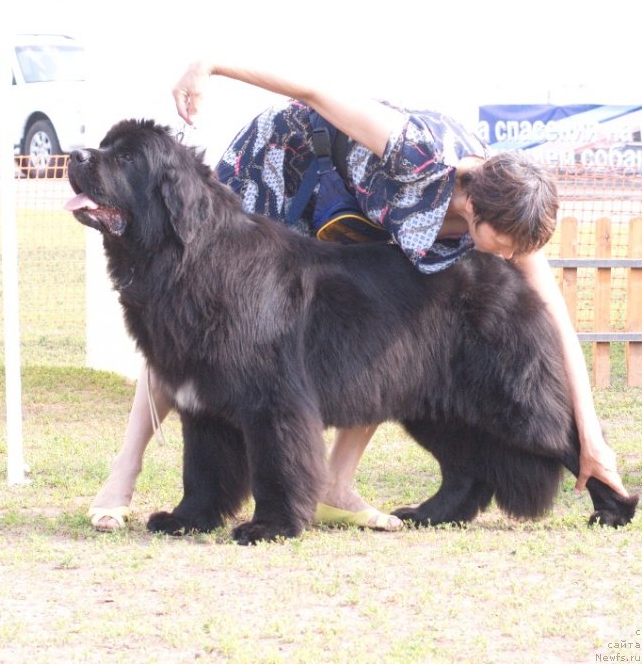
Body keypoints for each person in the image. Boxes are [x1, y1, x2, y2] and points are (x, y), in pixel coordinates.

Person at [87, 59, 630, 533]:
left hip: (354, 213)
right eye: (507, 244)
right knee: (192, 314)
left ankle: (362, 485)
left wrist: (590, 439)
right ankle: (154, 482)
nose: (511, 256)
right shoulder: (417, 150)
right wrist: (212, 64)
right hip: (287, 164)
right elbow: (312, 89)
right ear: (475, 210)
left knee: (377, 353)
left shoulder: (511, 202)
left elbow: (553, 318)